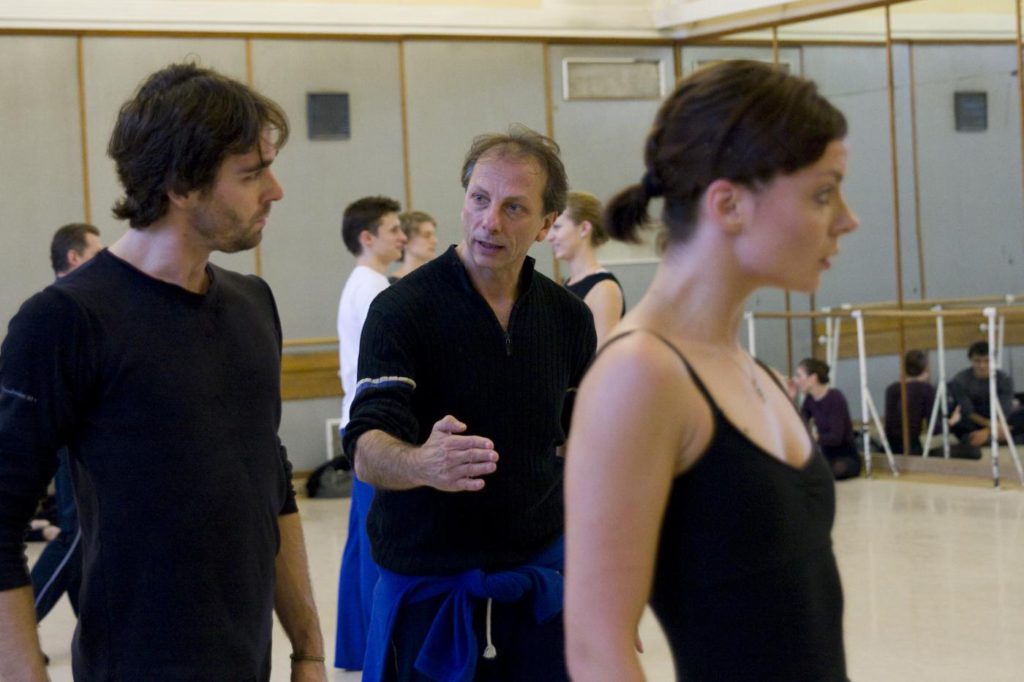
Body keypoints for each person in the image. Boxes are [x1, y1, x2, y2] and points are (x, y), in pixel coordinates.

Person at [0, 63, 326, 682]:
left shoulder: (253, 303)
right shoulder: (66, 319)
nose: (275, 190)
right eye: (252, 174)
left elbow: (271, 479)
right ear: (182, 184)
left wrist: (308, 650)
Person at [564, 60, 858, 681]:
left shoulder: (748, 368)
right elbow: (597, 647)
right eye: (823, 193)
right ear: (729, 204)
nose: (847, 219)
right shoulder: (640, 374)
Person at [342, 125, 596, 681]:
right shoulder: (402, 310)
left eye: (513, 208)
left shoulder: (568, 319)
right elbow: (366, 448)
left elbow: (584, 450)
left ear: (547, 224)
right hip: (430, 592)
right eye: (479, 199)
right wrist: (422, 463)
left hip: (537, 588)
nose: (490, 222)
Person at [334, 195, 406, 671]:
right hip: (371, 426)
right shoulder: (375, 288)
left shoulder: (365, 283)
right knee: (375, 546)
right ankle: (377, 651)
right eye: (394, 229)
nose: (401, 236)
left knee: (362, 545)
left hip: (358, 420)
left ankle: (360, 647)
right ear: (368, 237)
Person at [29, 223, 103, 634]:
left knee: (84, 540)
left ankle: (95, 635)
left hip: (73, 437)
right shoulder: (59, 308)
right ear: (74, 258)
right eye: (97, 253)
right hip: (65, 437)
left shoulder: (74, 305)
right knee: (74, 537)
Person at [546, 190, 625, 343]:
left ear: (584, 229)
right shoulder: (567, 285)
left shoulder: (604, 289)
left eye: (557, 227)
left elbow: (602, 358)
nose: (550, 237)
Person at [883, 349, 963, 455]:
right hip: (912, 450)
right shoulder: (925, 389)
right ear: (926, 369)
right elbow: (935, 429)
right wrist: (952, 420)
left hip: (889, 449)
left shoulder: (891, 389)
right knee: (973, 452)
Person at [796, 358, 861, 480]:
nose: (797, 381)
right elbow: (799, 423)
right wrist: (790, 395)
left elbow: (836, 438)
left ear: (813, 378)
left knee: (834, 470)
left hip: (846, 457)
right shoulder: (809, 399)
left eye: (799, 376)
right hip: (826, 456)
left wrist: (816, 438)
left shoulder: (835, 398)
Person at [948, 341, 1023, 446]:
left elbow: (1005, 408)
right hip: (974, 421)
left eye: (987, 361)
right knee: (956, 418)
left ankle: (988, 437)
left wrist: (988, 431)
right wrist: (992, 426)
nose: (982, 365)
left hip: (999, 420)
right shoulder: (959, 380)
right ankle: (1000, 437)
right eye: (977, 361)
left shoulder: (1004, 379)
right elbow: (967, 411)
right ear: (971, 360)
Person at [389, 210, 439, 282]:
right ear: (405, 239)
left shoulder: (438, 281)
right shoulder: (390, 286)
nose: (435, 241)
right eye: (427, 235)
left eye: (433, 235)